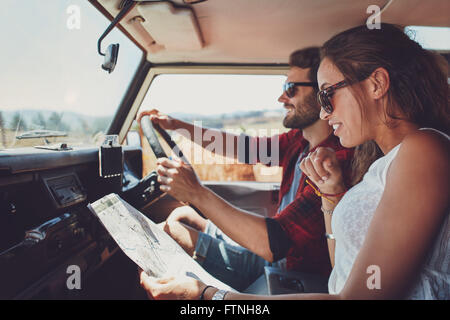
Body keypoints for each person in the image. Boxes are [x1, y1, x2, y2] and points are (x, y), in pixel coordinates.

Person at [140, 23, 449, 300]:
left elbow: (282, 249)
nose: (325, 113)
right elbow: (342, 264)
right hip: (295, 271)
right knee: (179, 219)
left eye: (327, 94)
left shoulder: (420, 149)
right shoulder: (306, 146)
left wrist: (209, 298)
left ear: (376, 85)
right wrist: (332, 196)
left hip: (289, 266)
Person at [138, 47, 355, 291]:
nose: (282, 99)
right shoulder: (299, 141)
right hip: (278, 252)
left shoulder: (332, 161)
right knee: (180, 216)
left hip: (290, 268)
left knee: (169, 232)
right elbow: (244, 148)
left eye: (290, 90)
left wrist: (196, 192)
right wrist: (177, 125)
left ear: (320, 94)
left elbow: (275, 245)